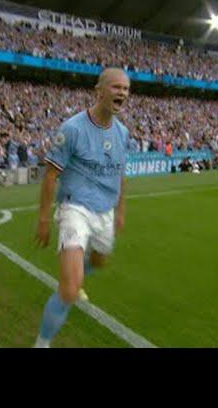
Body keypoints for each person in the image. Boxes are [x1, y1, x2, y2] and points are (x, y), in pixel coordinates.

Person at [33, 68, 130, 348]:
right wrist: (43, 219)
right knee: (69, 290)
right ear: (98, 91)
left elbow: (120, 175)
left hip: (105, 211)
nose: (122, 93)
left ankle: (76, 273)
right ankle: (41, 343)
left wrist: (120, 211)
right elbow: (50, 174)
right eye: (116, 87)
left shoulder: (123, 133)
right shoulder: (73, 128)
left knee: (99, 261)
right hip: (74, 208)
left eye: (125, 89)